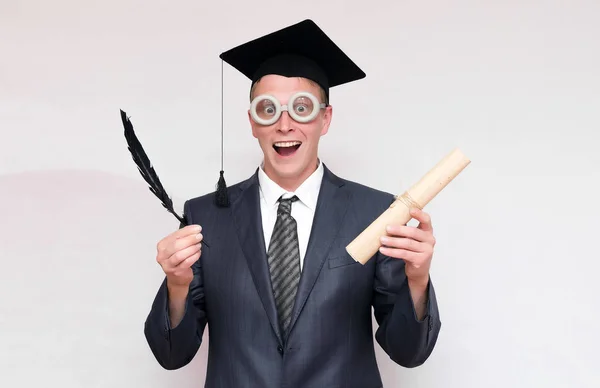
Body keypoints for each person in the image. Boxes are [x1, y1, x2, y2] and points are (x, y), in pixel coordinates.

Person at [143, 19, 441, 388]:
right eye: (268, 110)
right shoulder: (206, 217)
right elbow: (172, 356)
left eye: (301, 108)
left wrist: (417, 280)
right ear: (252, 122)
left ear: (324, 118)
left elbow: (408, 353)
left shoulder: (374, 214)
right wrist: (177, 285)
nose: (285, 125)